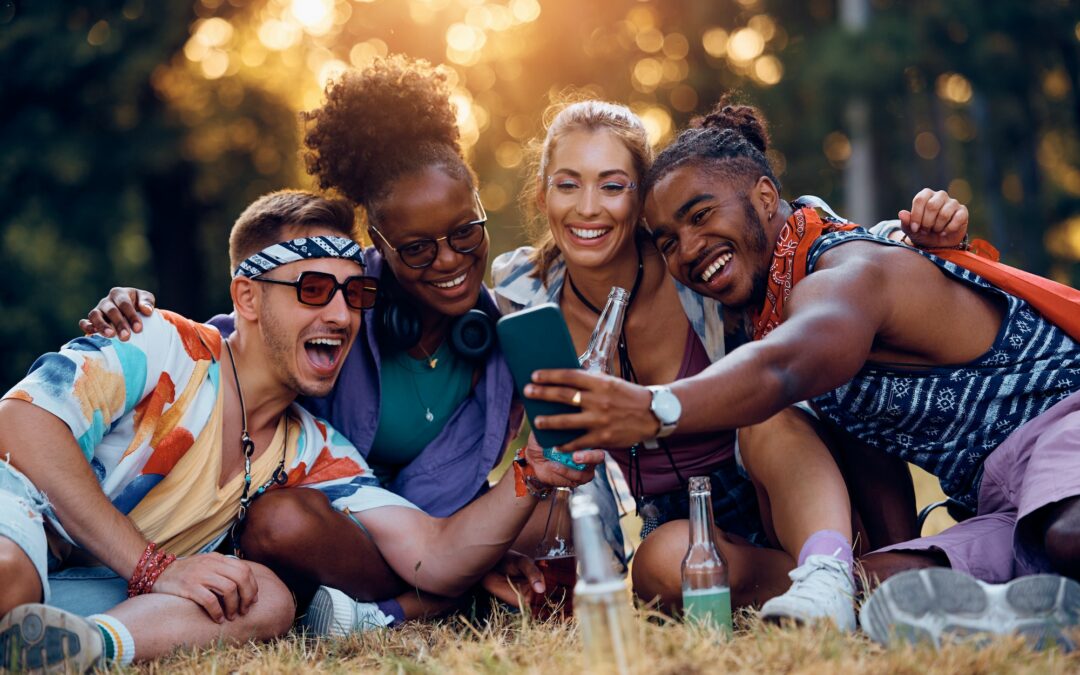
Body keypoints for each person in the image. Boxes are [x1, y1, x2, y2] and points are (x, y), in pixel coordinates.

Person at [522, 99, 1080, 646]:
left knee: (1066, 535)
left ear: (766, 197)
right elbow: (865, 441)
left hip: (1064, 427)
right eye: (668, 241)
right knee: (880, 592)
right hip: (1004, 501)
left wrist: (652, 407)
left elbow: (783, 369)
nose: (688, 249)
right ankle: (1036, 617)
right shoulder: (769, 300)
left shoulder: (848, 270)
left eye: (701, 215)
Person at [79, 55, 600, 631]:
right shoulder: (340, 301)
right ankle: (438, 598)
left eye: (463, 233)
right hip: (332, 528)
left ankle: (419, 595)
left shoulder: (510, 335)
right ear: (380, 244)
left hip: (438, 532)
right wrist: (138, 316)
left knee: (560, 510)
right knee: (282, 521)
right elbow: (243, 335)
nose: (449, 259)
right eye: (417, 248)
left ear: (480, 213)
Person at [0, 189, 589, 672]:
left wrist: (531, 473)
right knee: (8, 579)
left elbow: (432, 555)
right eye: (312, 289)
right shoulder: (160, 345)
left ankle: (82, 648)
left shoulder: (313, 448)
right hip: (18, 533)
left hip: (95, 598)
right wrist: (156, 568)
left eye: (355, 293)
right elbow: (20, 423)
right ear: (248, 298)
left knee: (266, 598)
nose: (339, 314)